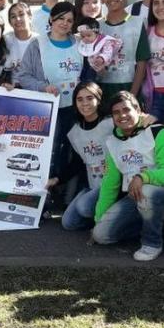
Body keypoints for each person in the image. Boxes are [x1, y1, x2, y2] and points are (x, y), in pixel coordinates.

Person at [93, 91, 164, 262]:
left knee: (146, 191)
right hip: (134, 198)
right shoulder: (113, 142)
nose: (122, 115)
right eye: (116, 113)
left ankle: (152, 243)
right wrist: (98, 219)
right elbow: (109, 184)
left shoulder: (159, 133)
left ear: (138, 110)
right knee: (102, 235)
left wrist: (142, 177)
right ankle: (154, 226)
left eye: (126, 110)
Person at [17, 2, 94, 185]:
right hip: (49, 109)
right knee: (51, 150)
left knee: (73, 151)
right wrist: (42, 87)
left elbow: (90, 72)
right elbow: (24, 76)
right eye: (60, 18)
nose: (65, 23)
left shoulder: (80, 43)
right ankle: (47, 192)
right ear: (51, 18)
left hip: (76, 108)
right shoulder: (37, 44)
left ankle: (68, 192)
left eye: (69, 20)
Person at [54, 82, 115, 231]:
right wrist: (57, 179)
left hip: (114, 185)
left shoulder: (112, 123)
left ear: (99, 99)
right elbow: (77, 162)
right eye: (80, 99)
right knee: (69, 222)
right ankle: (101, 220)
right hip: (93, 186)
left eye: (89, 98)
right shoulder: (75, 131)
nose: (85, 103)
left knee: (84, 207)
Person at [99, 0, 150, 103]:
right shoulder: (97, 26)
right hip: (101, 92)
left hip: (128, 89)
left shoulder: (137, 24)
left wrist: (132, 95)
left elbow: (142, 64)